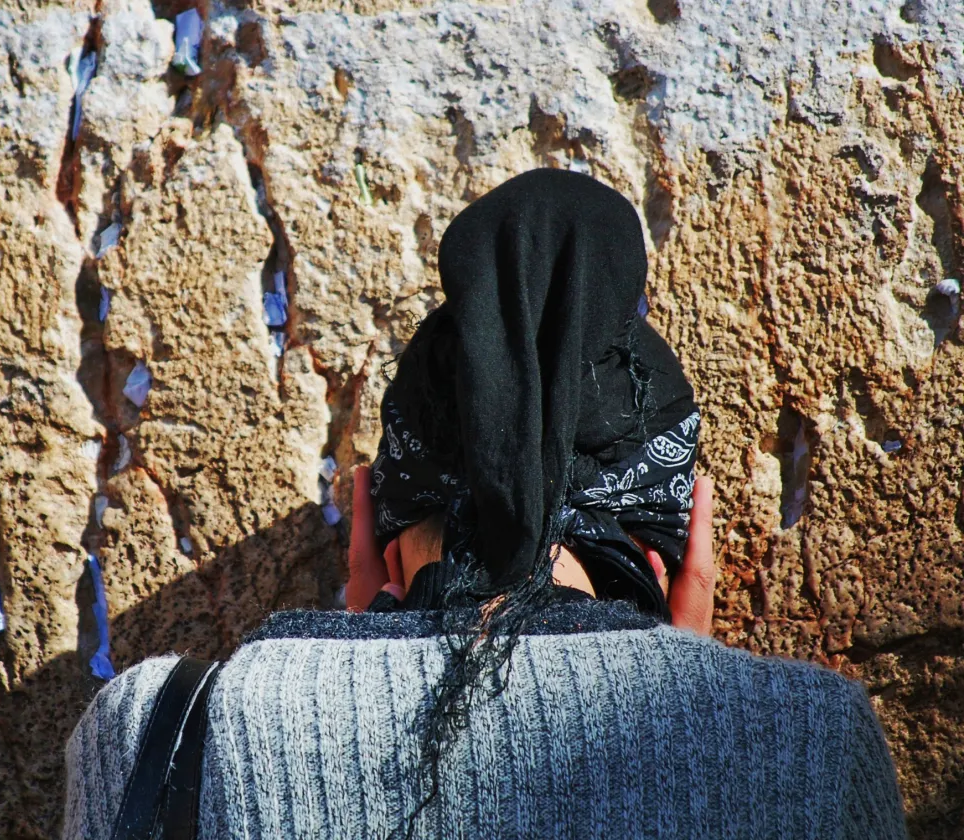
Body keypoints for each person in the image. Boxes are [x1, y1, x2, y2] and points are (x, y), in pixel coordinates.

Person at [61, 169, 907, 839]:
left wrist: (363, 644)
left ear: (376, 536)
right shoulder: (814, 745)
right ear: (674, 553)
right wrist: (700, 697)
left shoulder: (158, 733)